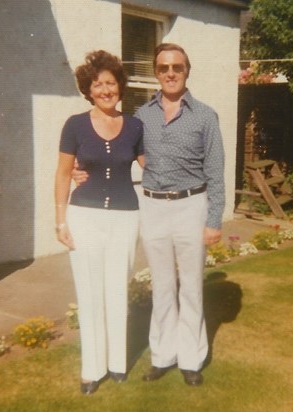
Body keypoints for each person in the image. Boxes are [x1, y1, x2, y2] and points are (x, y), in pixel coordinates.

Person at [73, 43, 225, 386]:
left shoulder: (205, 115)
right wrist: (79, 171)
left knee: (190, 286)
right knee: (162, 285)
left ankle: (190, 360)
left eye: (177, 67)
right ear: (156, 73)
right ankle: (162, 356)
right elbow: (114, 152)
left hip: (191, 204)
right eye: (163, 68)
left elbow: (216, 170)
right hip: (153, 206)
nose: (170, 73)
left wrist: (214, 219)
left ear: (187, 71)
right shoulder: (141, 117)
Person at [54, 50, 144, 395]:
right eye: (98, 84)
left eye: (110, 83)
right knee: (90, 293)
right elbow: (63, 173)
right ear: (88, 90)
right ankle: (92, 370)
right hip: (84, 216)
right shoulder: (74, 125)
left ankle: (118, 363)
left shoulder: (135, 125)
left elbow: (150, 165)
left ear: (119, 86)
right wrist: (60, 221)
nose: (105, 90)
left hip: (124, 216)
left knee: (117, 290)